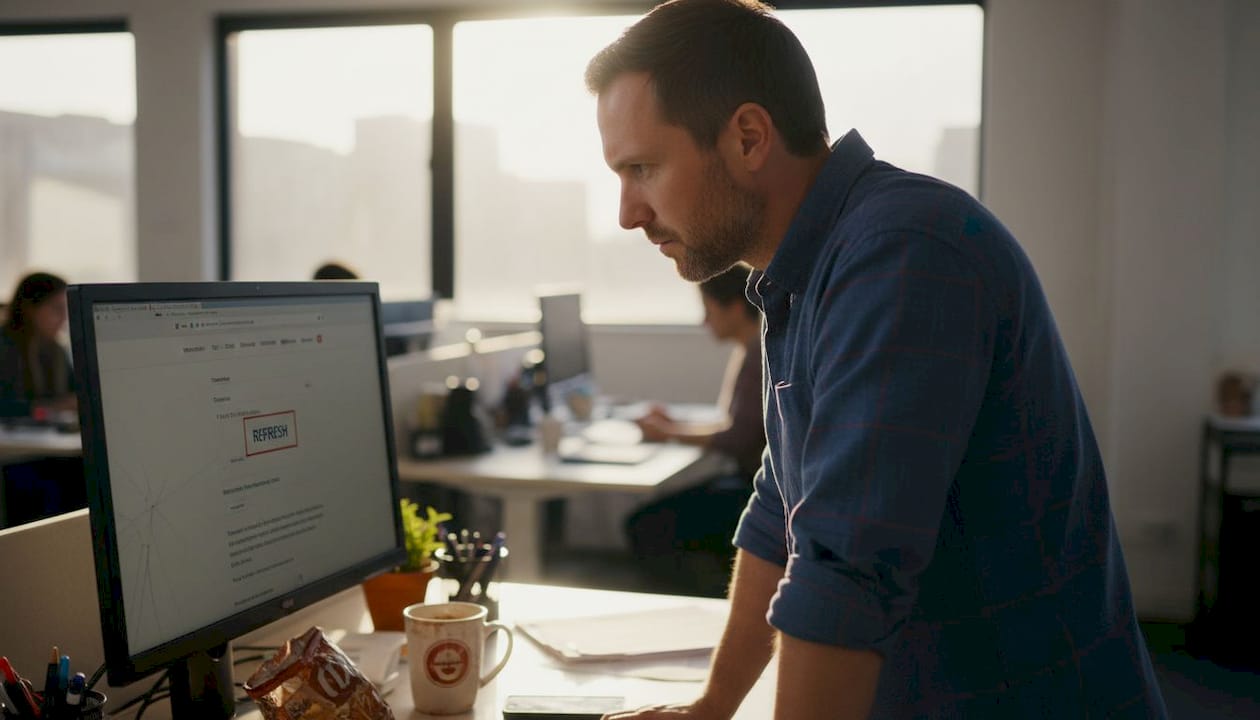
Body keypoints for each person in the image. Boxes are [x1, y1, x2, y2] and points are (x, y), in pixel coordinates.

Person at [585, 1, 1167, 717]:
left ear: (747, 136)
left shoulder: (904, 252)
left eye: (642, 167)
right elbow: (782, 509)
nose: (627, 213)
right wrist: (713, 705)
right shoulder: (801, 273)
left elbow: (844, 572)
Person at [625, 264, 765, 597]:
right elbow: (737, 426)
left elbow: (737, 438)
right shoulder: (750, 348)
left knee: (644, 526)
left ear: (733, 307)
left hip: (752, 490)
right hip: (747, 481)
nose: (704, 321)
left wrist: (669, 433)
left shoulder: (757, 355)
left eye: (708, 310)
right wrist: (674, 425)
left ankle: (709, 599)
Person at [0, 271, 75, 417]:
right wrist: (53, 408)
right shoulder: (5, 348)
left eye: (65, 310)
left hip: (48, 436)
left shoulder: (56, 351)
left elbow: (74, 393)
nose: (64, 318)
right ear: (30, 308)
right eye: (57, 309)